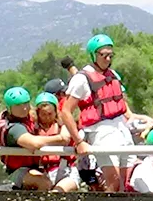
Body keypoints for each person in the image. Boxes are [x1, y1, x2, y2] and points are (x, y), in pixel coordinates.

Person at [59, 34, 144, 192]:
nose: (107, 58)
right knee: (113, 183)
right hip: (101, 131)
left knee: (126, 186)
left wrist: (139, 123)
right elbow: (66, 112)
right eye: (103, 55)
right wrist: (78, 141)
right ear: (93, 55)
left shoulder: (112, 75)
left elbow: (124, 109)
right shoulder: (81, 79)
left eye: (110, 55)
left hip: (121, 128)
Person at [0, 87, 69, 191]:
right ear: (10, 108)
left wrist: (65, 124)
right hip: (17, 171)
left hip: (33, 167)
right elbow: (34, 143)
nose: (24, 108)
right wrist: (61, 138)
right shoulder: (14, 128)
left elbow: (53, 115)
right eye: (18, 105)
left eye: (26, 103)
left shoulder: (29, 117)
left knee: (52, 181)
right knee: (44, 182)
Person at [34, 93, 81, 192]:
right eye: (43, 114)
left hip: (66, 170)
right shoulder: (34, 129)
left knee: (56, 193)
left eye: (50, 114)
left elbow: (65, 139)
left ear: (55, 112)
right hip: (44, 172)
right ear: (38, 114)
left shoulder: (63, 125)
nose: (47, 117)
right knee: (43, 196)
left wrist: (38, 141)